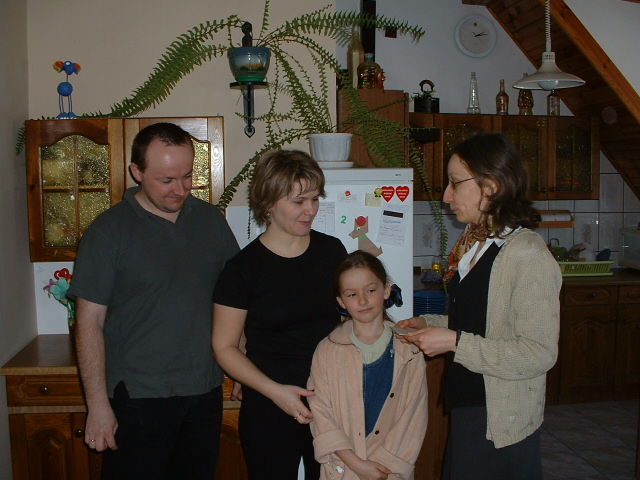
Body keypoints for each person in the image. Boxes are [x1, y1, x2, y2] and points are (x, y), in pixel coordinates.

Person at [68, 122, 240, 480]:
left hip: (204, 390)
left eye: (187, 176)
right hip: (138, 397)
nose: (180, 189)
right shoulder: (108, 231)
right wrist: (97, 406)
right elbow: (88, 323)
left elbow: (235, 302)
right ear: (137, 172)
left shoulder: (211, 221)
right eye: (166, 180)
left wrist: (242, 366)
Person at [396, 132, 562, 480]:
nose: (446, 195)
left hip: (499, 417)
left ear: (491, 186)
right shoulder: (475, 244)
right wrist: (430, 323)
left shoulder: (526, 254)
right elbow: (483, 320)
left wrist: (454, 342)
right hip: (469, 402)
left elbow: (538, 353)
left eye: (455, 183)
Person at [212, 149, 348, 480]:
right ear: (269, 203)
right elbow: (224, 346)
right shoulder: (242, 269)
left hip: (332, 401)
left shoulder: (333, 252)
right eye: (299, 201)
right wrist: (274, 391)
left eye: (315, 199)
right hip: (269, 405)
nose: (310, 210)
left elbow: (349, 320)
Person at [308, 250, 428, 480]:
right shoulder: (327, 350)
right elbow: (320, 413)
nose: (363, 300)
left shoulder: (409, 349)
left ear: (386, 290)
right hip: (342, 469)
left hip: (390, 471)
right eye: (352, 295)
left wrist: (384, 469)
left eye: (371, 290)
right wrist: (357, 465)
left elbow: (414, 418)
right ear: (341, 301)